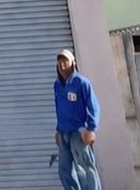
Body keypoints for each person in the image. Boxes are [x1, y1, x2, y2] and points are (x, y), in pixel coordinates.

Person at [53, 48, 101, 190]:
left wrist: (91, 129)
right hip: (64, 133)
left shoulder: (81, 83)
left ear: (72, 63)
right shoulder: (57, 85)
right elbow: (59, 108)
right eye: (59, 62)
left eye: (65, 61)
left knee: (86, 168)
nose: (62, 65)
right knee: (64, 169)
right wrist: (58, 130)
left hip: (79, 133)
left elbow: (94, 107)